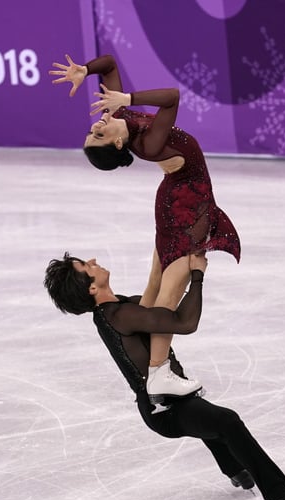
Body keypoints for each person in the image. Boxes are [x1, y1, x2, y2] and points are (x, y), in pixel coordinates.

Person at [43, 251, 285, 500]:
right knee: (226, 422)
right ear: (92, 287)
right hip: (163, 409)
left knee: (207, 419)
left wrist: (162, 245)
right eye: (86, 266)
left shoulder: (120, 308)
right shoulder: (119, 315)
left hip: (169, 401)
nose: (92, 261)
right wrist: (197, 276)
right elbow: (184, 323)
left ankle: (236, 471)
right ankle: (278, 494)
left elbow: (156, 288)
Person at [49, 53, 241, 407]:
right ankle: (159, 373)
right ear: (117, 144)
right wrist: (129, 99)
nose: (95, 127)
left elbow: (108, 64)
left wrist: (85, 71)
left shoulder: (116, 117)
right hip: (188, 207)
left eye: (92, 132)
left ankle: (143, 355)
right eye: (98, 135)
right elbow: (172, 97)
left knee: (153, 289)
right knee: (167, 295)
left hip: (173, 201)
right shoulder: (148, 143)